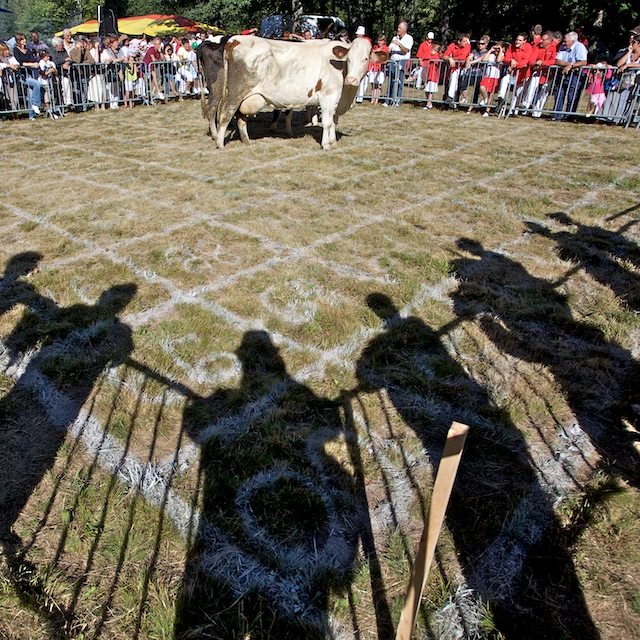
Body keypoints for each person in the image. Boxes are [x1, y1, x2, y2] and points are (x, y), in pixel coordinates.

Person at [552, 31, 588, 121]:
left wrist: (571, 65)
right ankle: (556, 115)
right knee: (559, 93)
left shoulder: (580, 47)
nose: (563, 43)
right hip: (563, 73)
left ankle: (569, 116)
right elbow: (558, 61)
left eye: (565, 41)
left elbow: (583, 62)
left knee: (572, 95)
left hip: (576, 75)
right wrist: (570, 65)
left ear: (573, 41)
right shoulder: (562, 47)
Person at [495, 32, 532, 115]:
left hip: (523, 75)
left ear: (524, 41)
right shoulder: (511, 46)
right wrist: (511, 61)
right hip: (512, 73)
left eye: (520, 40)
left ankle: (513, 110)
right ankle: (500, 100)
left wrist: (513, 65)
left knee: (517, 94)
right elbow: (506, 58)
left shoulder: (528, 48)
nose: (517, 42)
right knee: (504, 80)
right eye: (517, 40)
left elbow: (525, 62)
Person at [525, 30, 558, 118]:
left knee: (543, 94)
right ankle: (526, 107)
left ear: (549, 41)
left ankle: (537, 112)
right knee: (531, 88)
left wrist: (543, 62)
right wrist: (535, 63)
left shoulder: (554, 48)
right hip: (538, 72)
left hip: (548, 74)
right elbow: (531, 60)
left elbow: (554, 61)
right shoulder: (538, 48)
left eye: (543, 39)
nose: (541, 41)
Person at [12, 33, 42, 119]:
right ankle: (36, 104)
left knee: (31, 94)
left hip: (29, 74)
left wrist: (34, 63)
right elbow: (21, 63)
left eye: (25, 39)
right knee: (36, 84)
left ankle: (31, 115)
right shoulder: (16, 50)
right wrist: (31, 64)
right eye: (22, 39)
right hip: (22, 75)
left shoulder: (28, 50)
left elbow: (32, 60)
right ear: (18, 41)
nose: (25, 41)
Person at [383, 21, 413, 107]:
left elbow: (405, 50)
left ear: (404, 29)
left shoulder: (409, 38)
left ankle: (397, 100)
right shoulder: (395, 38)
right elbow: (390, 48)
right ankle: (388, 100)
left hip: (401, 62)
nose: (398, 30)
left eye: (400, 28)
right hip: (393, 61)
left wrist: (399, 44)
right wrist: (388, 51)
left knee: (399, 81)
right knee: (390, 80)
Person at [461, 34, 491, 109]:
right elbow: (469, 56)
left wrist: (471, 62)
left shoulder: (487, 53)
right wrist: (468, 61)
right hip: (472, 73)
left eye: (482, 44)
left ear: (486, 44)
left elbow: (481, 59)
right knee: (462, 85)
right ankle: (465, 98)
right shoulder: (475, 51)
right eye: (479, 43)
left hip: (480, 74)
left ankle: (471, 107)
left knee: (476, 92)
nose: (480, 45)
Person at [477, 40, 506, 116]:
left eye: (499, 48)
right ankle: (485, 99)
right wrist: (490, 50)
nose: (497, 50)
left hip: (495, 77)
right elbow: (484, 60)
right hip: (487, 75)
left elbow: (499, 60)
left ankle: (487, 110)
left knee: (491, 94)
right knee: (482, 87)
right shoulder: (491, 54)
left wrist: (500, 51)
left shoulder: (502, 55)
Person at [442, 32, 471, 105]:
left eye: (466, 41)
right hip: (453, 68)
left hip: (463, 68)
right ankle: (450, 100)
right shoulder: (452, 45)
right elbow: (444, 55)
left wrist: (451, 58)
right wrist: (449, 59)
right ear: (459, 41)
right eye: (464, 41)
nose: (465, 43)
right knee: (452, 81)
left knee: (457, 83)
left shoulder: (467, 46)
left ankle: (452, 98)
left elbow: (462, 58)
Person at [0, 41, 20, 114]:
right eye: (5, 50)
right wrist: (9, 65)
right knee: (7, 97)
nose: (7, 51)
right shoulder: (1, 58)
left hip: (12, 80)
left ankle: (15, 112)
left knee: (14, 98)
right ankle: (11, 113)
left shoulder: (11, 57)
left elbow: (17, 63)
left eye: (7, 49)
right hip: (4, 81)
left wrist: (16, 66)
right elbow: (1, 65)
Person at [368, 35, 388, 104]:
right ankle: (372, 98)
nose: (379, 42)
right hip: (373, 67)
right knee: (373, 84)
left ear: (384, 41)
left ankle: (376, 99)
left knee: (378, 84)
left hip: (380, 68)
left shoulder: (385, 48)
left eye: (381, 40)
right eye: (379, 40)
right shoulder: (375, 47)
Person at [354, 26, 372, 103]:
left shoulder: (366, 42)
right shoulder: (356, 41)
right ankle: (357, 96)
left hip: (364, 64)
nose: (357, 36)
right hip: (357, 64)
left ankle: (360, 97)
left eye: (359, 35)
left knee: (364, 82)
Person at [422, 43, 442, 109]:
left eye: (432, 50)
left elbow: (434, 59)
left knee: (430, 91)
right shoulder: (432, 57)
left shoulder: (436, 57)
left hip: (433, 77)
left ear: (436, 51)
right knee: (426, 91)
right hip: (429, 76)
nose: (430, 51)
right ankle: (429, 103)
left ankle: (428, 104)